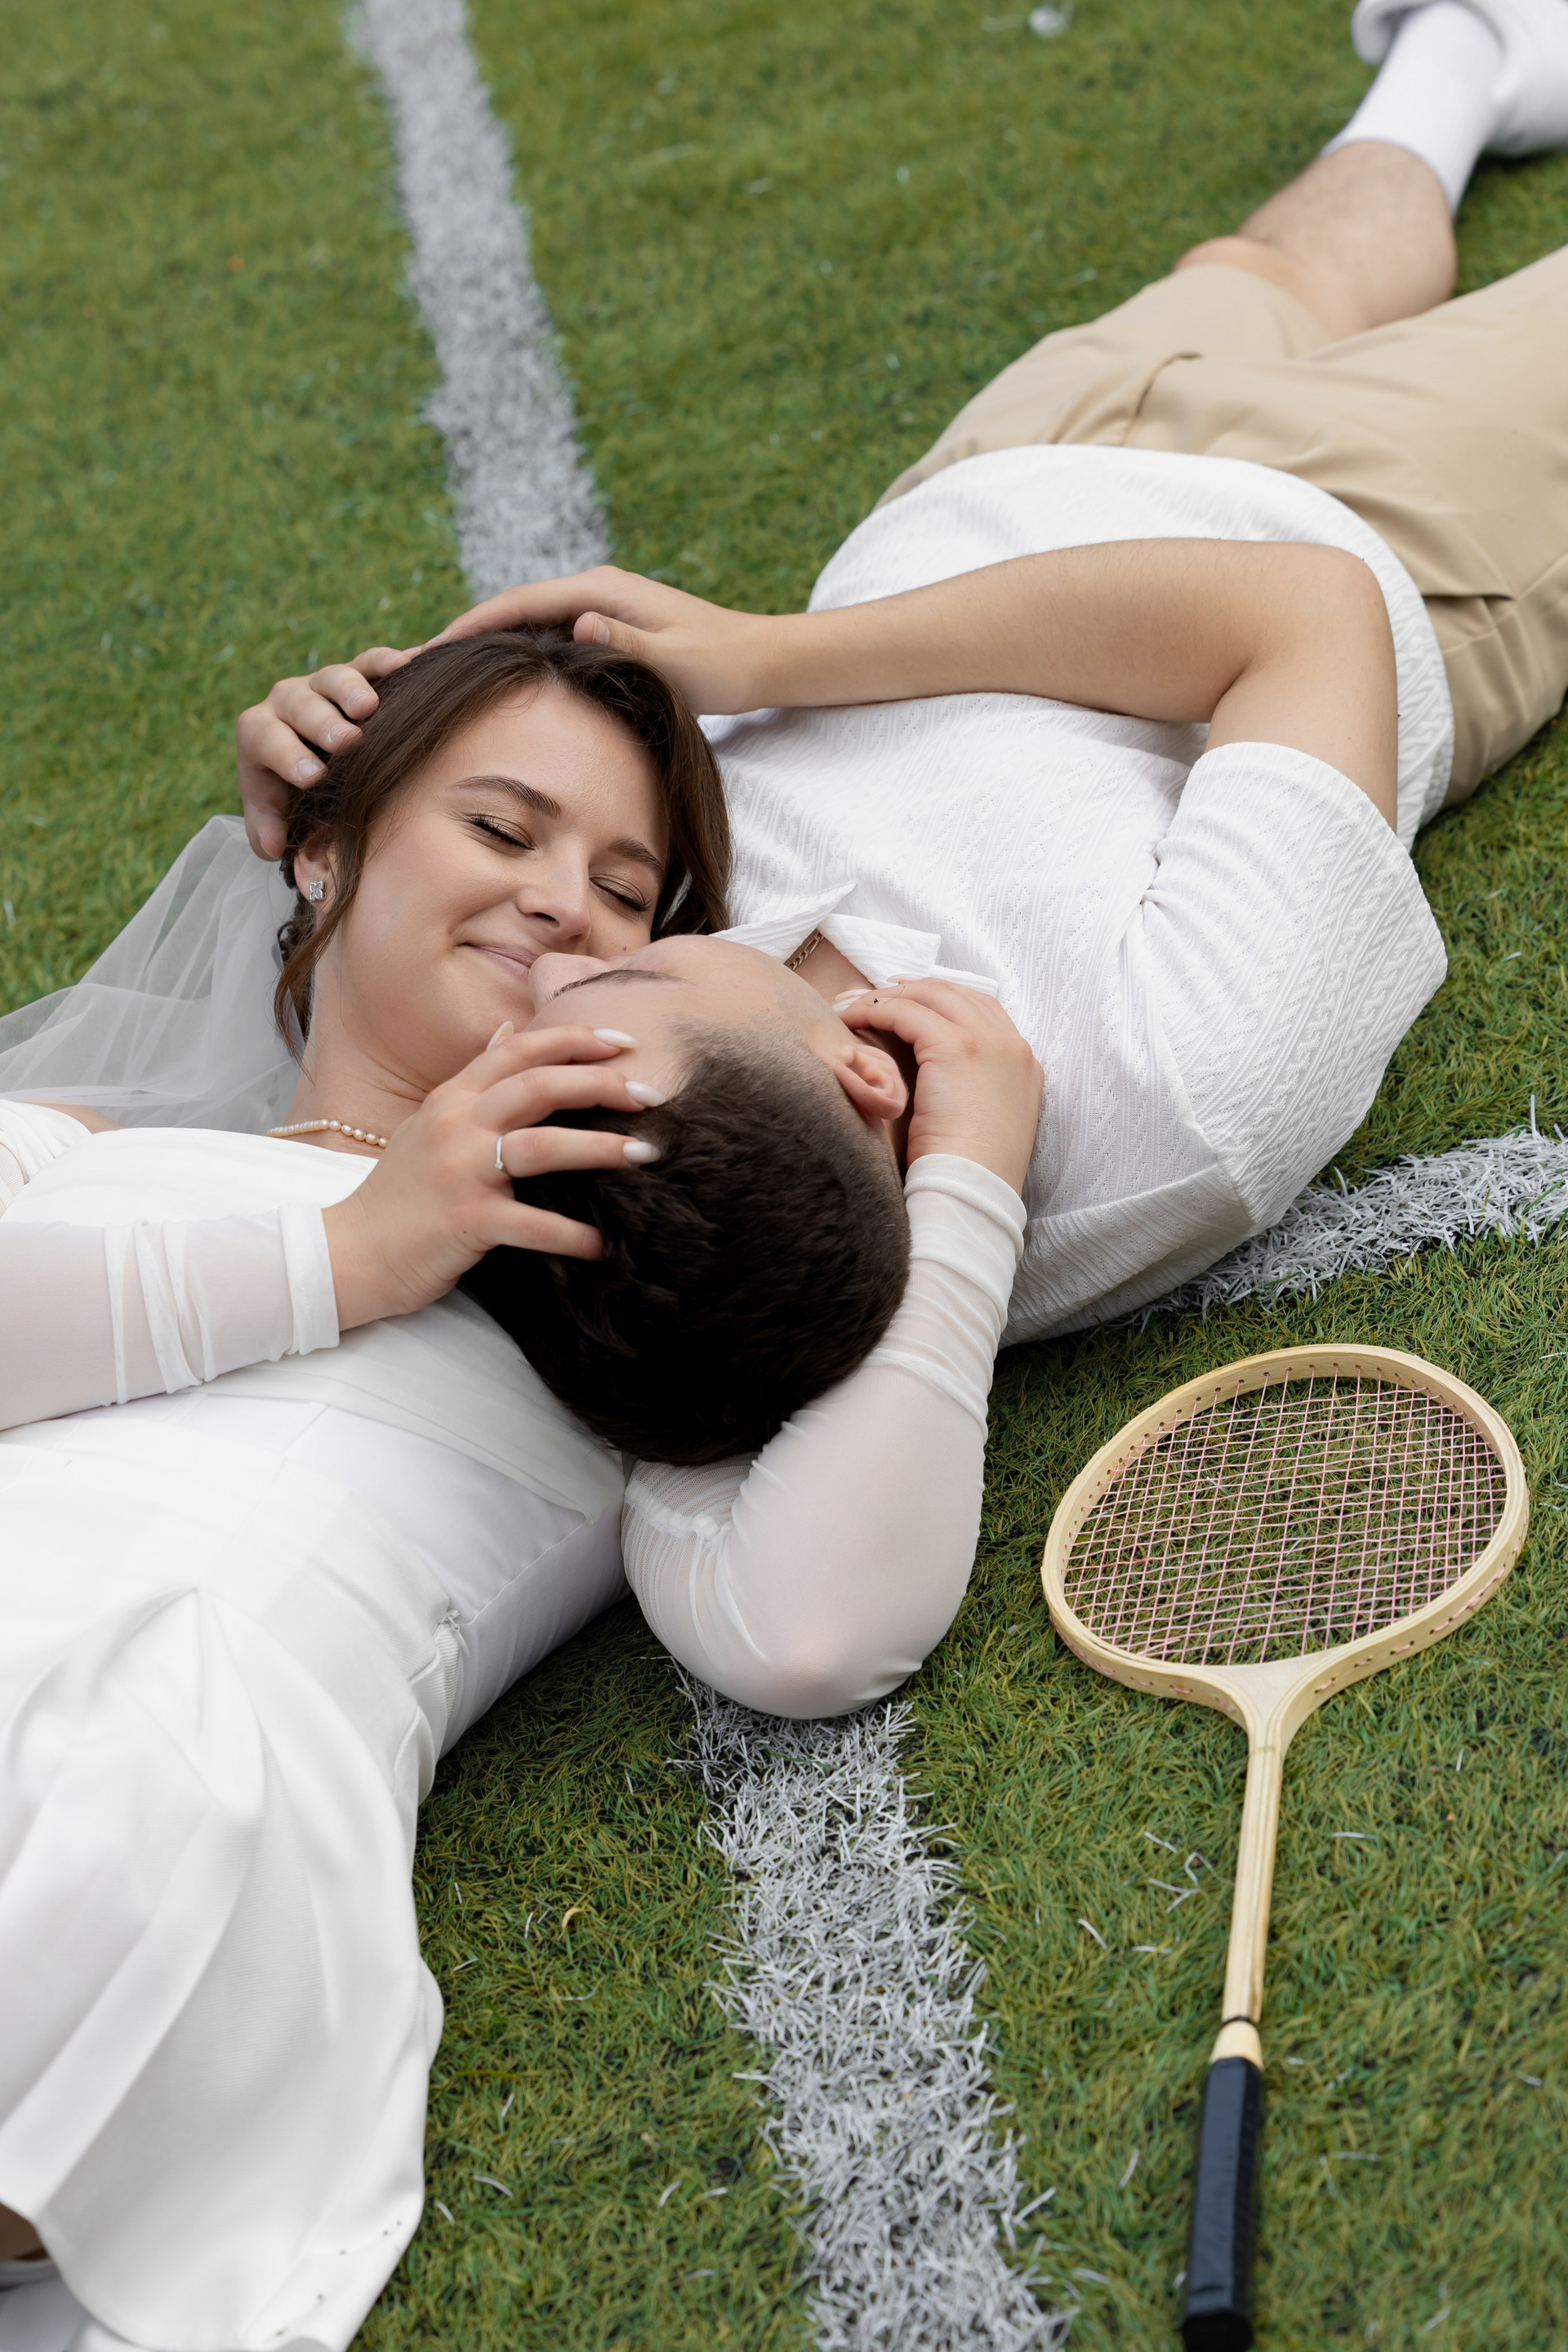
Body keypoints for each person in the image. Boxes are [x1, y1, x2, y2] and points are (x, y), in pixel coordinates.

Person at [243, 0, 1568, 1463]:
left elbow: (375, 1026)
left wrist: (316, 774)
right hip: (1370, 527)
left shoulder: (656, 1090)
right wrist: (771, 656)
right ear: (861, 1074)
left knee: (1278, 270)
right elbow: (1299, 613)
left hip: (993, 482)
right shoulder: (1183, 1097)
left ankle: (1465, 57)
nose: (565, 950)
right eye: (632, 960)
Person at [0, 631, 1038, 2352]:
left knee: (137, 1763)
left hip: (173, 1782)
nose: (565, 904)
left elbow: (818, 1626)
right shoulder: (72, 1149)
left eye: (628, 893)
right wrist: (354, 1251)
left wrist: (966, 1193)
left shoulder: (607, 1304)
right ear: (319, 853)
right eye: (501, 829)